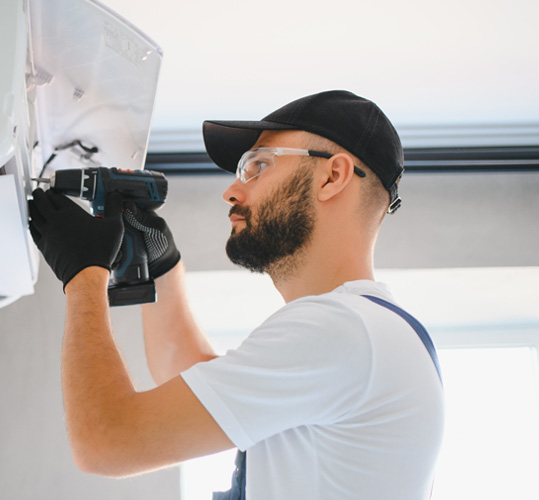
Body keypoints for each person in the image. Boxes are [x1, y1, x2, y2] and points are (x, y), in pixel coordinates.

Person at [27, 90, 445, 499]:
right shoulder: (366, 333)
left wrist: (83, 275)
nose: (232, 191)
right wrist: (162, 264)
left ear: (332, 176)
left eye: (258, 166)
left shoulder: (342, 329)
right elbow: (188, 374)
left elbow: (107, 441)